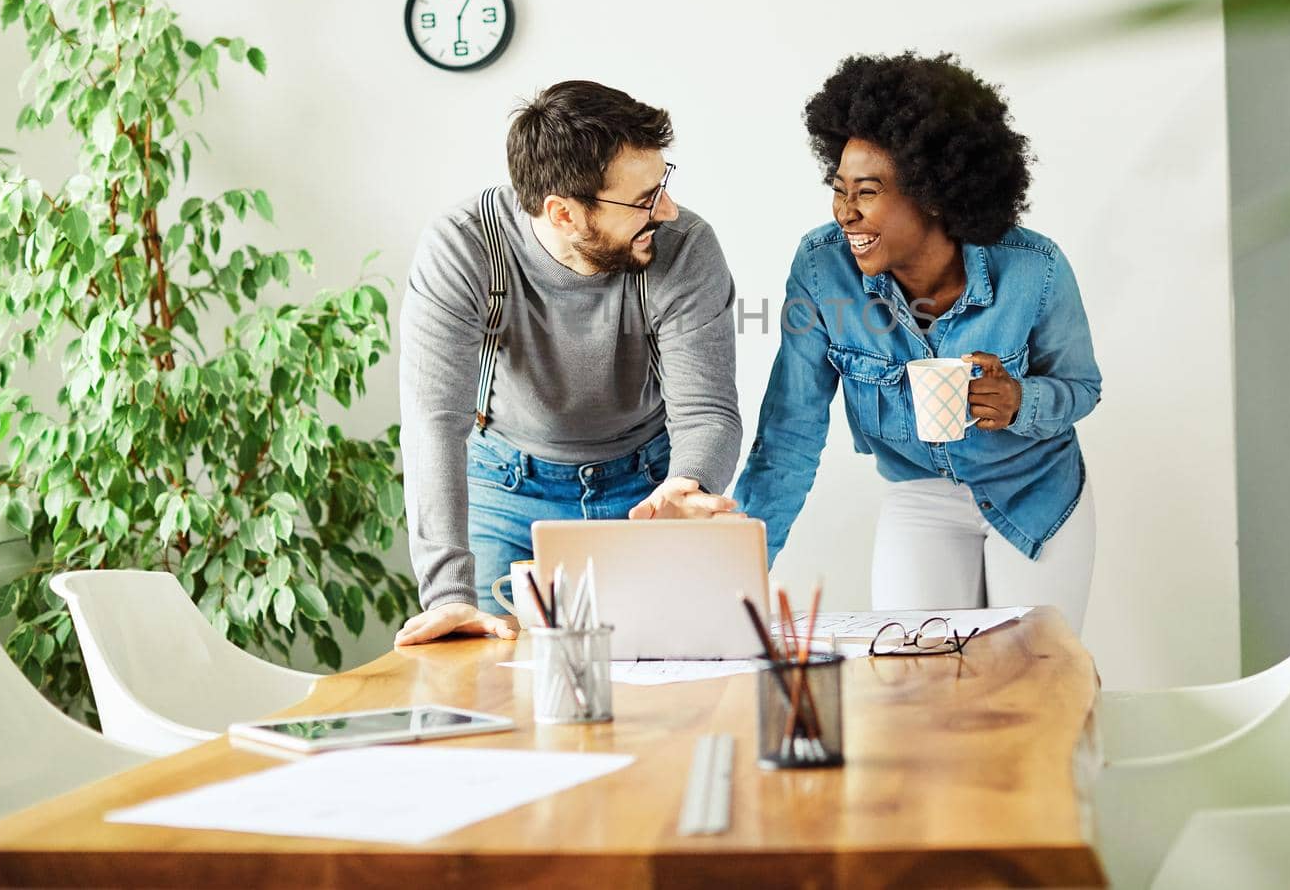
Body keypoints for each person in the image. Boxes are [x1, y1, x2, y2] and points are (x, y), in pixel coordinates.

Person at [731, 53, 1101, 632]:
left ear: (933, 194)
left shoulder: (1035, 268)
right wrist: (741, 569)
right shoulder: (822, 267)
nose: (846, 213)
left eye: (868, 192)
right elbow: (790, 431)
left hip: (1035, 493)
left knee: (1032, 676)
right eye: (839, 189)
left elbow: (1081, 386)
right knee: (912, 675)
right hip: (921, 497)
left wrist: (1020, 402)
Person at [394, 80, 743, 645]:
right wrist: (447, 594)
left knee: (667, 687)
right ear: (562, 213)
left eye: (664, 185)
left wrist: (688, 482)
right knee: (492, 683)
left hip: (647, 493)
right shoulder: (464, 246)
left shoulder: (685, 246)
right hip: (506, 489)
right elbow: (434, 420)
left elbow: (706, 410)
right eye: (644, 200)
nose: (669, 210)